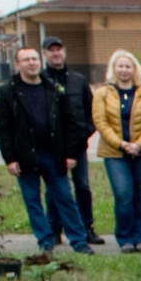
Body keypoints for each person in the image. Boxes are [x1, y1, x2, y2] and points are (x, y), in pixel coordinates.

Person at [0, 46, 92, 254]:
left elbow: (69, 123)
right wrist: (10, 158)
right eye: (26, 60)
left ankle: (79, 241)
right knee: (33, 201)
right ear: (17, 64)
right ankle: (45, 242)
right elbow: (3, 128)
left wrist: (70, 154)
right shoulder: (8, 91)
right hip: (24, 155)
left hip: (54, 154)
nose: (31, 63)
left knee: (65, 198)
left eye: (34, 59)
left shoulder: (54, 89)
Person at [94, 49, 141, 252]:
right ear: (113, 69)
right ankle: (125, 239)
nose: (124, 70)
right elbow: (101, 122)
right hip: (114, 153)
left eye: (128, 66)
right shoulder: (103, 93)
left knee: (139, 196)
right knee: (123, 195)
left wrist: (139, 144)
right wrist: (121, 144)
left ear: (135, 70)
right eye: (120, 66)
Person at [41, 39, 98, 240]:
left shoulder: (78, 80)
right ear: (45, 54)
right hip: (51, 146)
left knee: (82, 186)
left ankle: (86, 228)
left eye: (59, 49)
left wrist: (85, 132)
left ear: (64, 52)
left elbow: (92, 111)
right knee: (54, 189)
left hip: (78, 145)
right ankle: (54, 230)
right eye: (51, 50)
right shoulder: (41, 80)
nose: (56, 54)